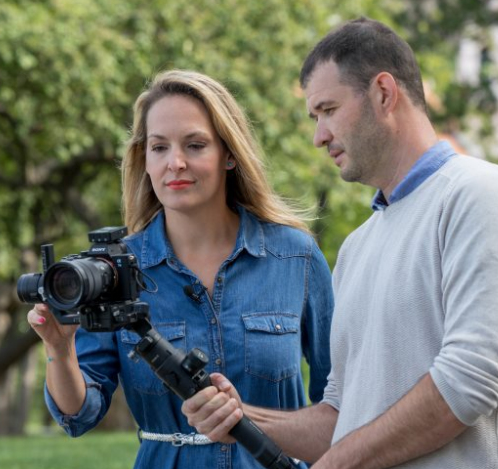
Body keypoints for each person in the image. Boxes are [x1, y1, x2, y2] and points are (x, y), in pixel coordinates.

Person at [182, 17, 498, 469]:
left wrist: (336, 464)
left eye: (328, 110)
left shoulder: (480, 195)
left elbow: (468, 381)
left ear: (384, 93)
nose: (318, 137)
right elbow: (343, 417)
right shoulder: (357, 246)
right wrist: (240, 417)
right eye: (315, 118)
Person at [26, 70, 334, 469]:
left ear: (229, 153)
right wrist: (59, 348)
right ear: (145, 160)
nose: (176, 163)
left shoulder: (296, 256)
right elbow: (78, 415)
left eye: (195, 144)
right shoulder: (110, 272)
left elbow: (340, 403)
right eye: (159, 147)